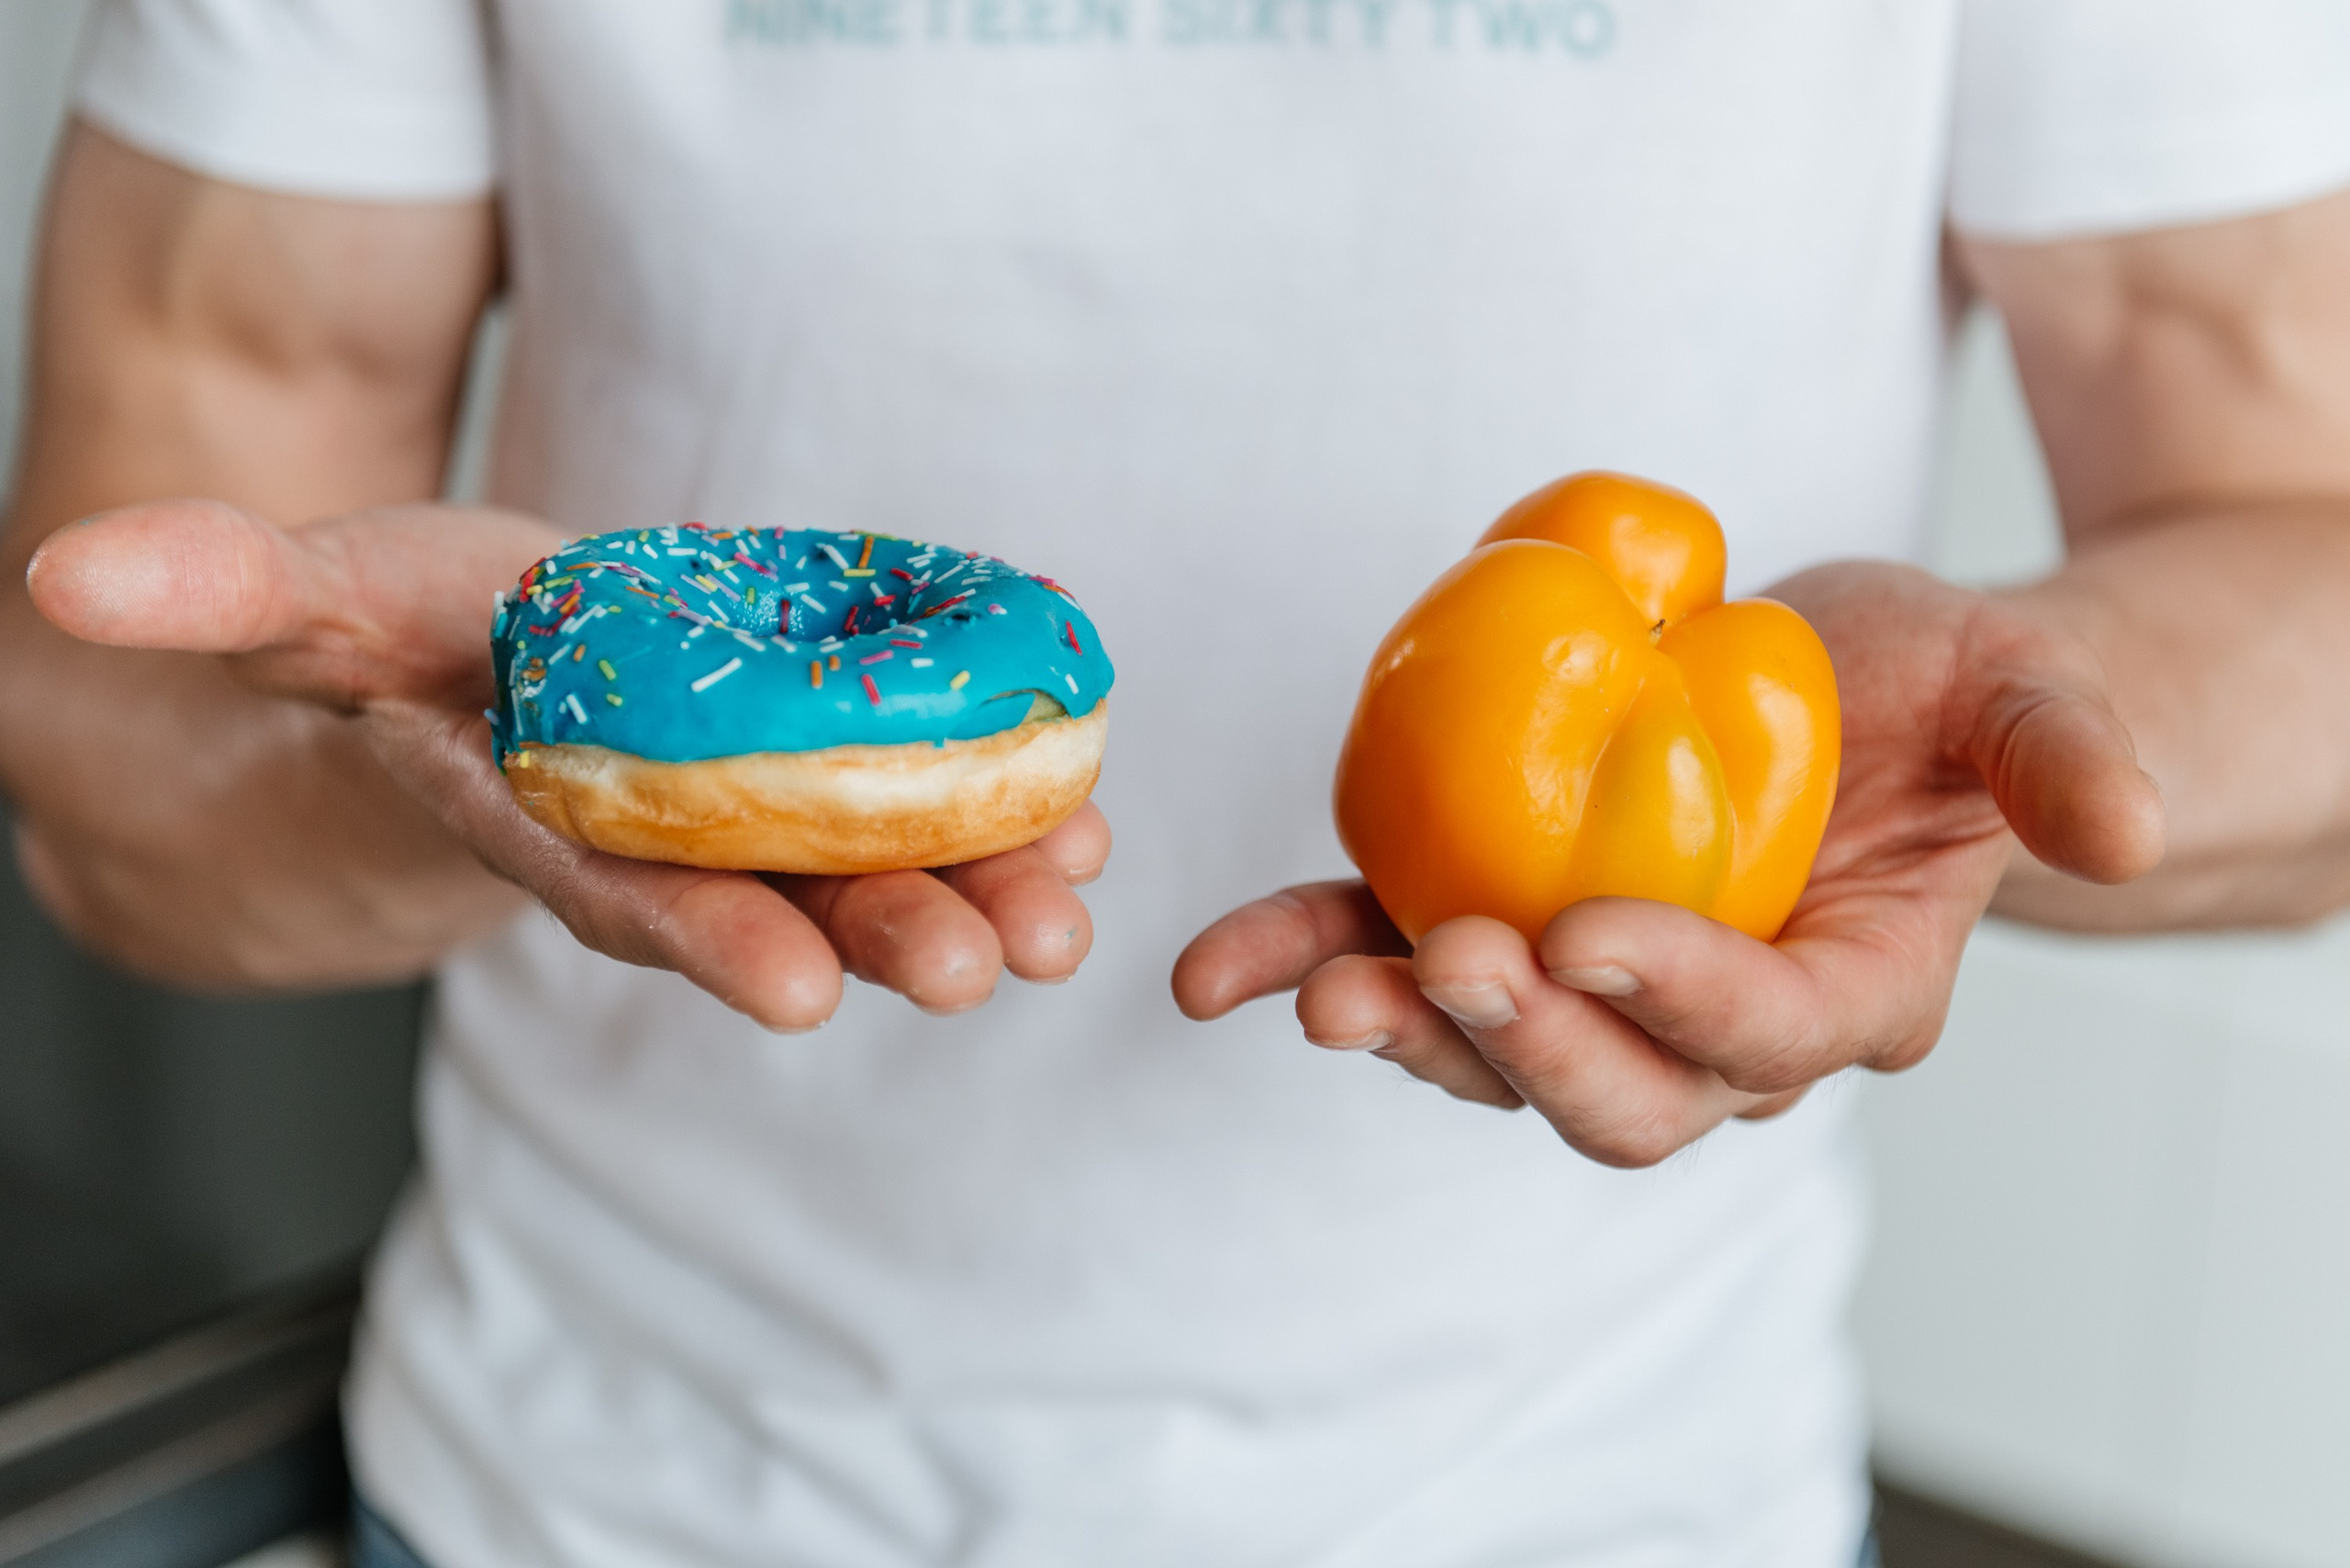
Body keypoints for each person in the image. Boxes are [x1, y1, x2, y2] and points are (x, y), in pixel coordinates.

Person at [4, 0, 2348, 1562]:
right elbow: (113, 754)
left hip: (1606, 1505)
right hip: (595, 1487)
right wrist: (487, 769)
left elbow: (2302, 555)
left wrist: (2035, 729)